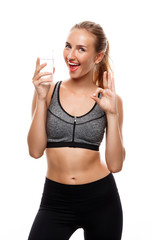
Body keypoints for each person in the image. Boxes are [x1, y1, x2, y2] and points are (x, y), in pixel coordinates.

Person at [27, 20, 126, 240]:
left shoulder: (110, 99)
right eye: (68, 45)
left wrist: (112, 113)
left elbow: (116, 165)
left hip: (101, 201)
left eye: (81, 49)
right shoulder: (47, 91)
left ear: (98, 56)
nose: (71, 55)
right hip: (55, 201)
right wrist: (42, 98)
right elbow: (35, 151)